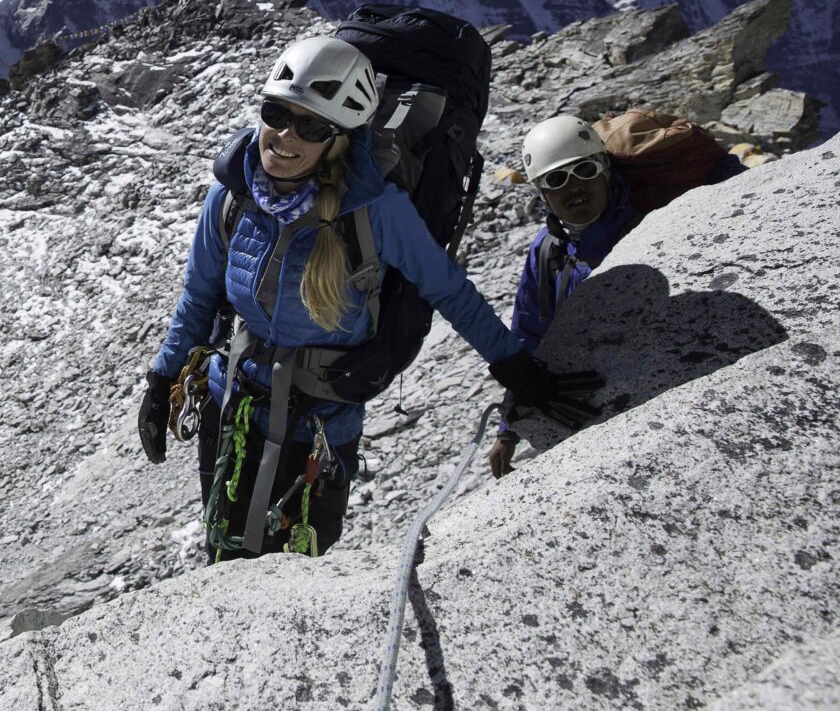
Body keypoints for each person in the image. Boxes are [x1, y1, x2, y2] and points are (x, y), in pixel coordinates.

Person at [136, 36, 599, 557]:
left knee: (293, 574)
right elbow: (198, 297)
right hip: (232, 409)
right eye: (276, 113)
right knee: (222, 551)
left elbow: (448, 291)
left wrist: (519, 371)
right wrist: (161, 380)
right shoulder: (232, 195)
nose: (284, 136)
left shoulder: (378, 210)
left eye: (309, 126)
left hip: (322, 425)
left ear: (337, 137)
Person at [487, 113, 737, 476]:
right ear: (542, 193)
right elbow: (529, 333)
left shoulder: (657, 216)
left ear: (604, 168)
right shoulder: (547, 252)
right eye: (557, 179)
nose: (574, 187)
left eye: (584, 171)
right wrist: (508, 429)